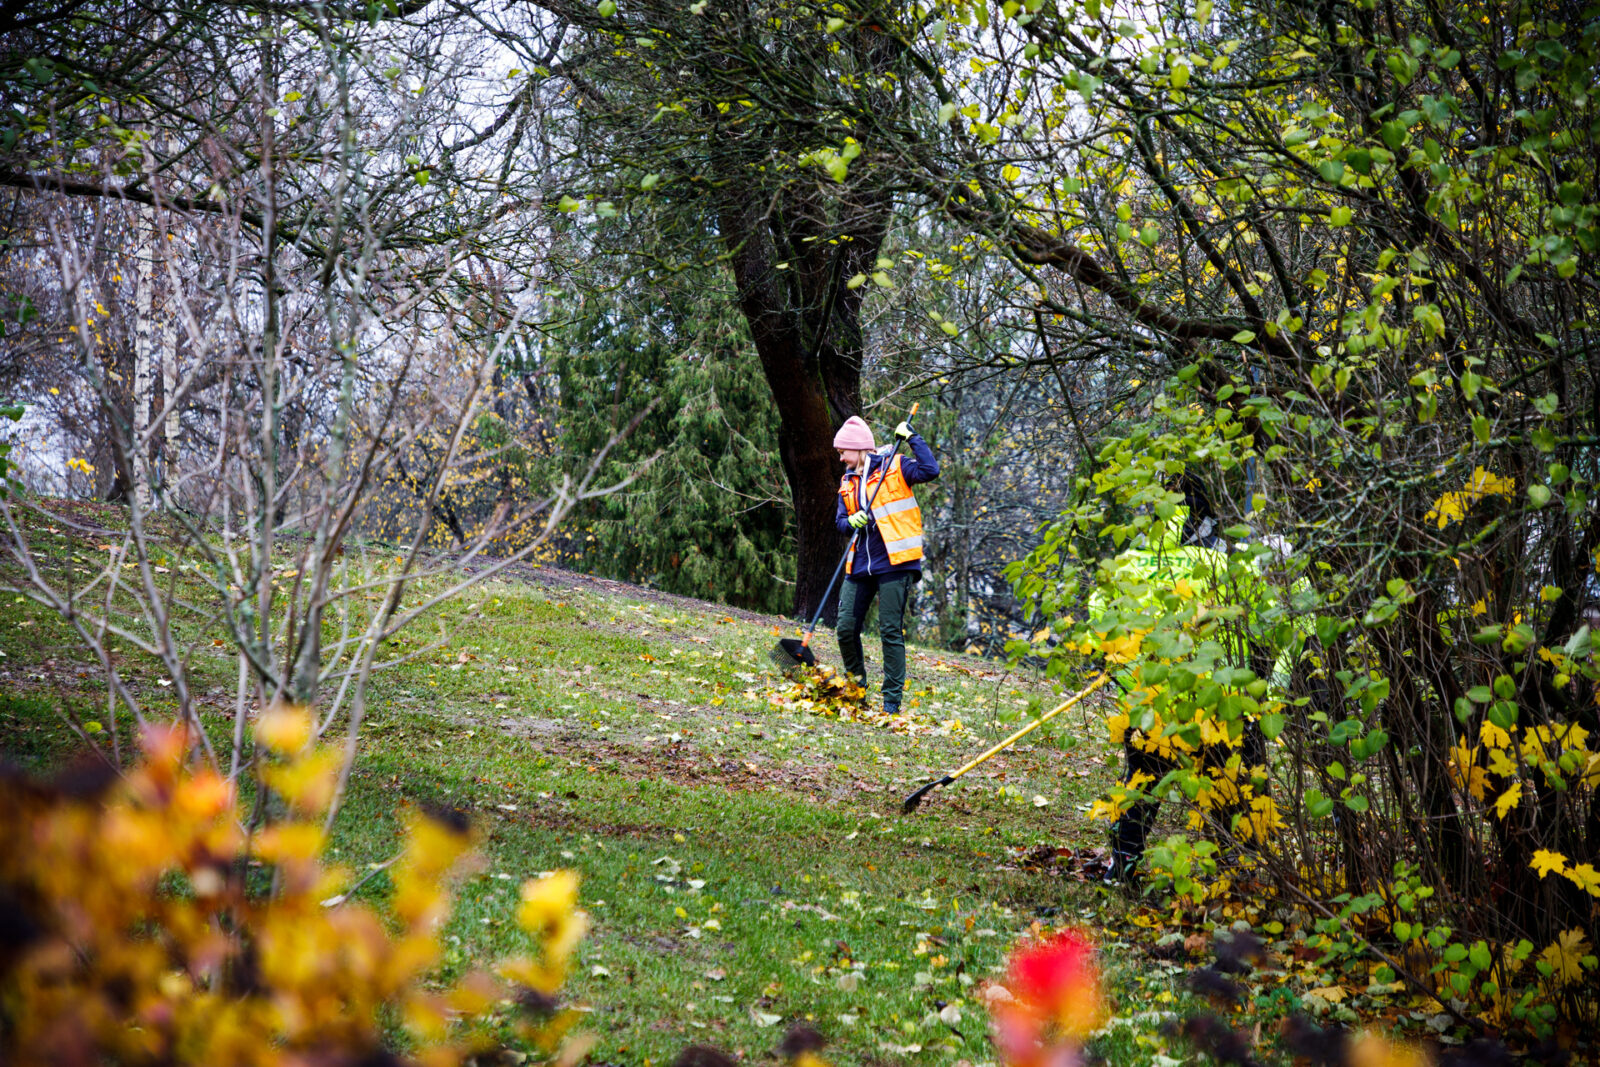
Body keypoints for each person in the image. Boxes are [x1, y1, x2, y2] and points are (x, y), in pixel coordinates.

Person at [832, 413, 939, 717]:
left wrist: (912, 437)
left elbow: (931, 470)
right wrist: (850, 520)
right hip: (861, 563)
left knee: (890, 629)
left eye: (843, 452)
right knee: (845, 628)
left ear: (859, 448)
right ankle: (856, 689)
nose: (841, 458)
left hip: (896, 562)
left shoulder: (896, 465)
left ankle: (891, 702)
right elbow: (840, 521)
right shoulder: (848, 481)